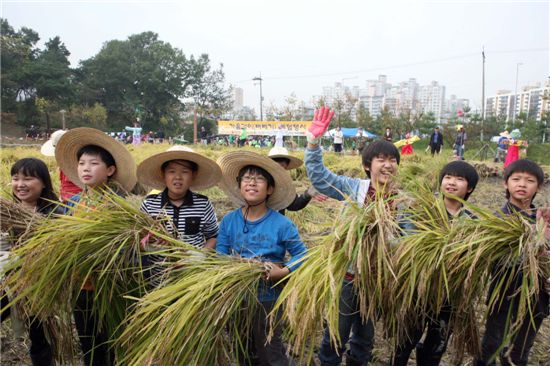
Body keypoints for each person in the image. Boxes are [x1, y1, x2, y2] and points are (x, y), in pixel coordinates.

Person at [305, 106, 401, 366]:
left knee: (365, 337)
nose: (387, 164)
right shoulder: (354, 188)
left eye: (392, 160)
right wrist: (313, 142)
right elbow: (320, 178)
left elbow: (408, 238)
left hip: (378, 280)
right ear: (368, 166)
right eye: (381, 159)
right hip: (347, 276)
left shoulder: (403, 201)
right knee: (336, 332)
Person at [216, 150, 307, 366]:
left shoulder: (282, 224)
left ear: (270, 189)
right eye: (247, 178)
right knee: (243, 350)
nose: (252, 183)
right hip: (237, 298)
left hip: (268, 299)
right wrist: (236, 266)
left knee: (270, 352)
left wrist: (283, 272)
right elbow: (219, 256)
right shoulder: (229, 221)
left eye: (259, 179)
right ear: (239, 185)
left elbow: (303, 255)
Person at [55, 127, 137, 366]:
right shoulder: (73, 204)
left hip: (110, 288)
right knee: (88, 343)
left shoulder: (119, 206)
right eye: (81, 163)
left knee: (111, 342)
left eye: (93, 163)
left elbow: (128, 246)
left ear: (110, 170)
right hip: (81, 286)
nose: (86, 168)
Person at [392, 161, 479, 366]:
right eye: (448, 177)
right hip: (418, 289)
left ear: (470, 188)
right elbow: (402, 240)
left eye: (459, 179)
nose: (452, 183)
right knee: (405, 341)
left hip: (450, 294)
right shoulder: (422, 208)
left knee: (436, 345)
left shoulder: (474, 221)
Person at [475, 159, 550, 366]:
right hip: (504, 293)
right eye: (516, 179)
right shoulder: (496, 220)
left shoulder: (544, 220)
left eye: (530, 180)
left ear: (539, 187)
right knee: (492, 344)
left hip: (538, 296)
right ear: (505, 184)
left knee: (520, 351)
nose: (522, 184)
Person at [1, 158, 63, 366]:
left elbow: (58, 249)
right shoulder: (6, 211)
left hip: (38, 284)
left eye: (28, 178)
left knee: (40, 334)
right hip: (7, 281)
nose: (20, 184)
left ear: (44, 182)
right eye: (16, 178)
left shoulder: (55, 214)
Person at [137, 146, 221, 287]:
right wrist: (149, 245)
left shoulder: (202, 204)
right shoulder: (150, 204)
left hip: (193, 280)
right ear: (163, 175)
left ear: (193, 175)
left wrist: (199, 256)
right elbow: (138, 237)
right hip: (158, 281)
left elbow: (214, 236)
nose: (178, 177)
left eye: (185, 172)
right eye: (172, 171)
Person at [268, 146, 328, 216]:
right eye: (274, 166)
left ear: (286, 167)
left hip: (276, 224)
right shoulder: (260, 183)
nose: (278, 171)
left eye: (281, 168)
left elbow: (293, 205)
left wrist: (307, 194)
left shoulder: (284, 186)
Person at [41, 129, 83, 203]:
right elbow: (65, 185)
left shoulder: (79, 162)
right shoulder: (63, 162)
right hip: (66, 201)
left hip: (77, 202)